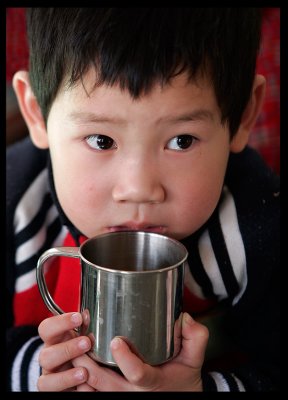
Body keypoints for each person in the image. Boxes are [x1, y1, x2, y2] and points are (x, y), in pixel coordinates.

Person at [6, 8, 279, 392]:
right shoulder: (16, 202)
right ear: (36, 114)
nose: (138, 189)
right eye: (101, 140)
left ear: (242, 116)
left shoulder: (258, 228)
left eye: (181, 141)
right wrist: (33, 371)